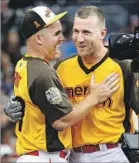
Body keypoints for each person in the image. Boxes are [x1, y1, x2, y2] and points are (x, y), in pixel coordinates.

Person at [4, 6, 121, 163]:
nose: (63, 38)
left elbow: (33, 100)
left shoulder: (22, 64)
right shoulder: (48, 71)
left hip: (102, 153)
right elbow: (62, 120)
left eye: (86, 32)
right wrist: (94, 97)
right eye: (56, 34)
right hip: (46, 156)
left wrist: (15, 106)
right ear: (39, 39)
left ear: (102, 34)